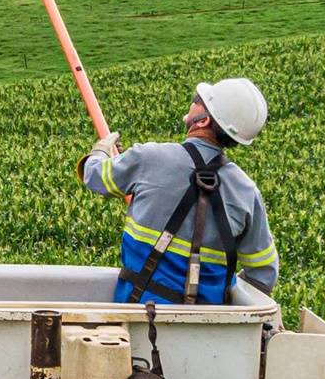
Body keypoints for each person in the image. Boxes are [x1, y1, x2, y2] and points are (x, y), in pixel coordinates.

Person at [79, 78, 278, 305]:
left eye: (198, 101)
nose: (192, 103)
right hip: (211, 328)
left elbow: (95, 177)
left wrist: (100, 151)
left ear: (202, 121)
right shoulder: (246, 191)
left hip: (139, 315)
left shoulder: (149, 158)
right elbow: (264, 275)